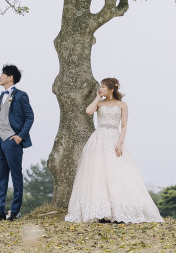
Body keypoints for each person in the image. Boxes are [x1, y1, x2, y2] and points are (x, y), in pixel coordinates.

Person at [65, 78, 162, 223]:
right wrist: (97, 98)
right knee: (98, 174)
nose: (101, 88)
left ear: (111, 89)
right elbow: (88, 111)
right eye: (101, 86)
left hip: (114, 139)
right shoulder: (99, 103)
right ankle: (101, 212)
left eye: (103, 87)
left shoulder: (122, 105)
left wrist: (120, 143)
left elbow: (123, 126)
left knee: (116, 173)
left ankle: (118, 211)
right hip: (98, 139)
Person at [0, 64, 34, 221]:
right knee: (1, 175)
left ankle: (14, 211)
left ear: (10, 77)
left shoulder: (21, 95)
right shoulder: (0, 97)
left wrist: (20, 136)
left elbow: (30, 117)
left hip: (13, 140)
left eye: (2, 74)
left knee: (16, 175)